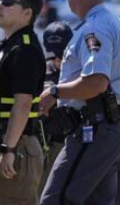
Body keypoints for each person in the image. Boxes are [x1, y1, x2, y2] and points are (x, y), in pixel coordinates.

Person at [37, 0, 120, 205]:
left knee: (55, 200)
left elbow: (96, 82)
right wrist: (111, 101)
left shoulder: (95, 28)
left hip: (94, 129)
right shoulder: (115, 24)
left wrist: (56, 92)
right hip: (109, 127)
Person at [0, 0, 47, 205]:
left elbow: (23, 103)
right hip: (2, 143)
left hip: (16, 146)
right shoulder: (9, 46)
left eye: (8, 2)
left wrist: (8, 149)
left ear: (27, 13)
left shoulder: (24, 49)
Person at [38, 22, 73, 196]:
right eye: (54, 55)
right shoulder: (40, 70)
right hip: (42, 146)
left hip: (68, 145)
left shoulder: (79, 73)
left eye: (61, 54)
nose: (58, 60)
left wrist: (56, 94)